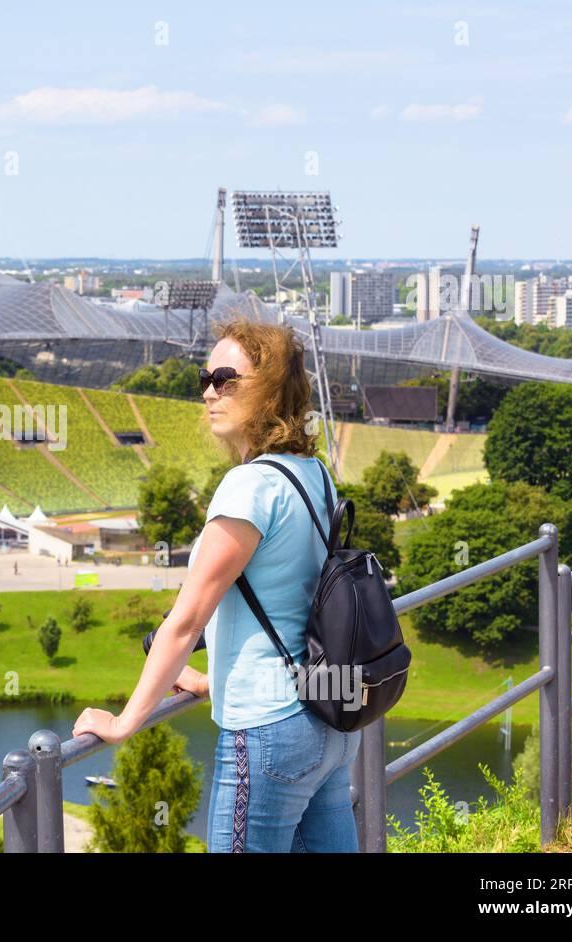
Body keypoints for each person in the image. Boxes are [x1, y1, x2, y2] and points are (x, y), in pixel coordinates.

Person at [72, 318, 360, 852]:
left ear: (270, 388)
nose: (208, 391)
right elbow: (290, 603)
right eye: (205, 377)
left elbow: (185, 622)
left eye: (225, 378)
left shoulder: (247, 487)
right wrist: (212, 682)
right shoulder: (313, 473)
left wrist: (123, 723)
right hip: (329, 718)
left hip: (270, 730)